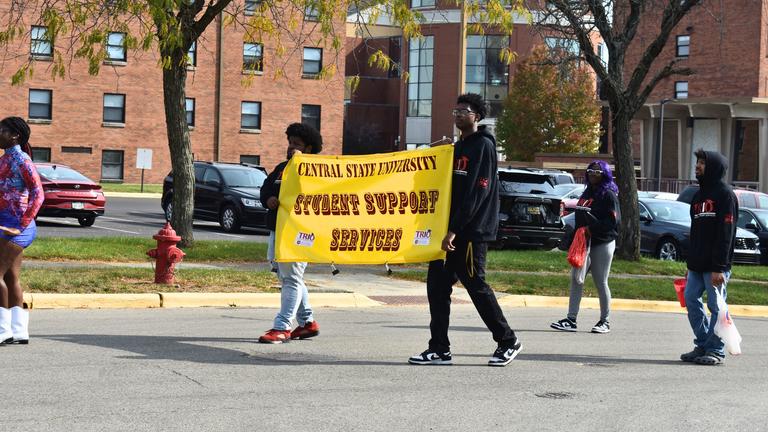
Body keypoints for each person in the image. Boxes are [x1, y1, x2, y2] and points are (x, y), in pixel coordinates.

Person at [408, 93, 521, 367]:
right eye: (455, 111)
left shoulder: (482, 146)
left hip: (470, 231)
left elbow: (476, 192)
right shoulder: (457, 147)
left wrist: (455, 230)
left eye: (464, 111)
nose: (458, 115)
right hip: (447, 230)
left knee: (475, 285)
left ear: (477, 116)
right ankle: (439, 349)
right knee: (436, 288)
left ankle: (508, 341)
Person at [258, 123, 323, 344]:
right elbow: (265, 189)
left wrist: (300, 163)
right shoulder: (281, 168)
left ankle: (282, 327)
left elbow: (312, 194)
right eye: (290, 143)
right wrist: (268, 200)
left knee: (291, 278)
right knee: (287, 277)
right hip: (278, 229)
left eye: (297, 144)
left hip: (299, 233)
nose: (291, 147)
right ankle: (307, 323)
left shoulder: (315, 172)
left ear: (309, 149)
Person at [680, 150, 738, 365]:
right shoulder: (697, 196)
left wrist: (719, 267)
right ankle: (703, 343)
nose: (698, 166)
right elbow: (695, 232)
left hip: (716, 265)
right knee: (691, 300)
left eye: (702, 163)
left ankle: (716, 350)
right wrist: (690, 263)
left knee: (716, 307)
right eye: (697, 162)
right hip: (696, 264)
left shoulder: (725, 195)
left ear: (713, 166)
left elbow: (726, 233)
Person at [550, 160, 619, 334]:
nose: (593, 174)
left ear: (605, 174)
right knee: (576, 278)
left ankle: (605, 321)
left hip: (602, 242)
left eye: (597, 171)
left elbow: (613, 222)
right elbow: (580, 215)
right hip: (584, 242)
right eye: (591, 170)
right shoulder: (587, 192)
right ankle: (571, 319)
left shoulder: (608, 195)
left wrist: (591, 229)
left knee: (600, 281)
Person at [0, 117, 43, 345]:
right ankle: (18, 331)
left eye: (2, 130)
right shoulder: (5, 160)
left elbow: (39, 194)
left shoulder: (22, 160)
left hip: (17, 228)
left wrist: (20, 225)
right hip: (5, 225)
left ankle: (2, 329)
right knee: (10, 276)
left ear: (15, 135)